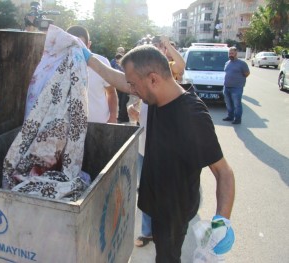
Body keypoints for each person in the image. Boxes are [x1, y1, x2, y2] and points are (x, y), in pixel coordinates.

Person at [83, 45, 235, 262]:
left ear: (153, 79)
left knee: (166, 257)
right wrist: (90, 60)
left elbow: (224, 172)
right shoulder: (157, 95)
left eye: (134, 84)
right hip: (156, 199)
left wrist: (222, 221)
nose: (132, 90)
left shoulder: (192, 116)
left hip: (174, 209)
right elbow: (121, 80)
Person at [128, 35, 187, 248]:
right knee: (145, 189)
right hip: (144, 144)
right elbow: (138, 106)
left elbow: (181, 65)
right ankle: (147, 232)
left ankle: (167, 230)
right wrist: (133, 112)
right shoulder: (141, 77)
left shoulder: (167, 70)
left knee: (166, 190)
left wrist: (169, 46)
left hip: (165, 148)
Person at [67, 25, 118, 123]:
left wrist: (113, 117)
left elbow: (111, 92)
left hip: (99, 125)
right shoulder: (58, 64)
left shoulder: (102, 62)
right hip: (69, 127)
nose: (76, 49)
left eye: (80, 45)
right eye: (72, 44)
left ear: (88, 45)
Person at [223, 47, 250, 125]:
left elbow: (247, 73)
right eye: (229, 53)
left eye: (232, 53)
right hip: (227, 87)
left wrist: (239, 80)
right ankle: (230, 116)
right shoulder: (227, 63)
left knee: (237, 104)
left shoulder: (242, 63)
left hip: (237, 87)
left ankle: (237, 119)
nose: (230, 55)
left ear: (236, 53)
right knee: (228, 104)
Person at [111, 50, 130, 123]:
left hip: (126, 84)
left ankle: (123, 117)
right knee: (119, 100)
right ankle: (120, 116)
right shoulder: (113, 61)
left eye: (122, 52)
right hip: (117, 84)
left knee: (124, 101)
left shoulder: (127, 61)